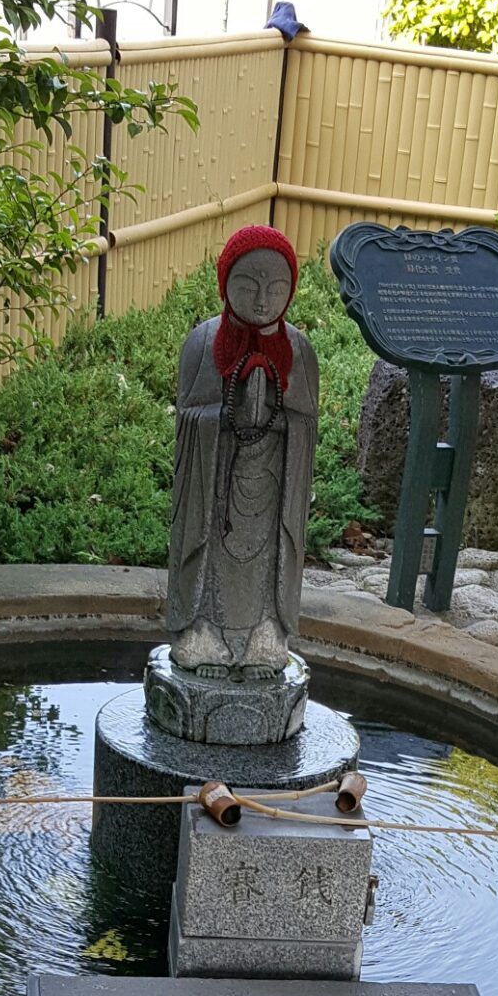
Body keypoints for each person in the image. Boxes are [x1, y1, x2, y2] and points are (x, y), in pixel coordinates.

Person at [166, 224, 318, 672]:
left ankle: (264, 632)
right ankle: (203, 629)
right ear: (226, 283)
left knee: (266, 561)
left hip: (272, 484)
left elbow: (307, 424)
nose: (263, 301)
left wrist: (274, 417)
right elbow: (187, 419)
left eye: (276, 289)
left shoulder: (298, 350)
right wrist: (227, 414)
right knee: (211, 552)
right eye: (249, 286)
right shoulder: (202, 343)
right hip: (214, 480)